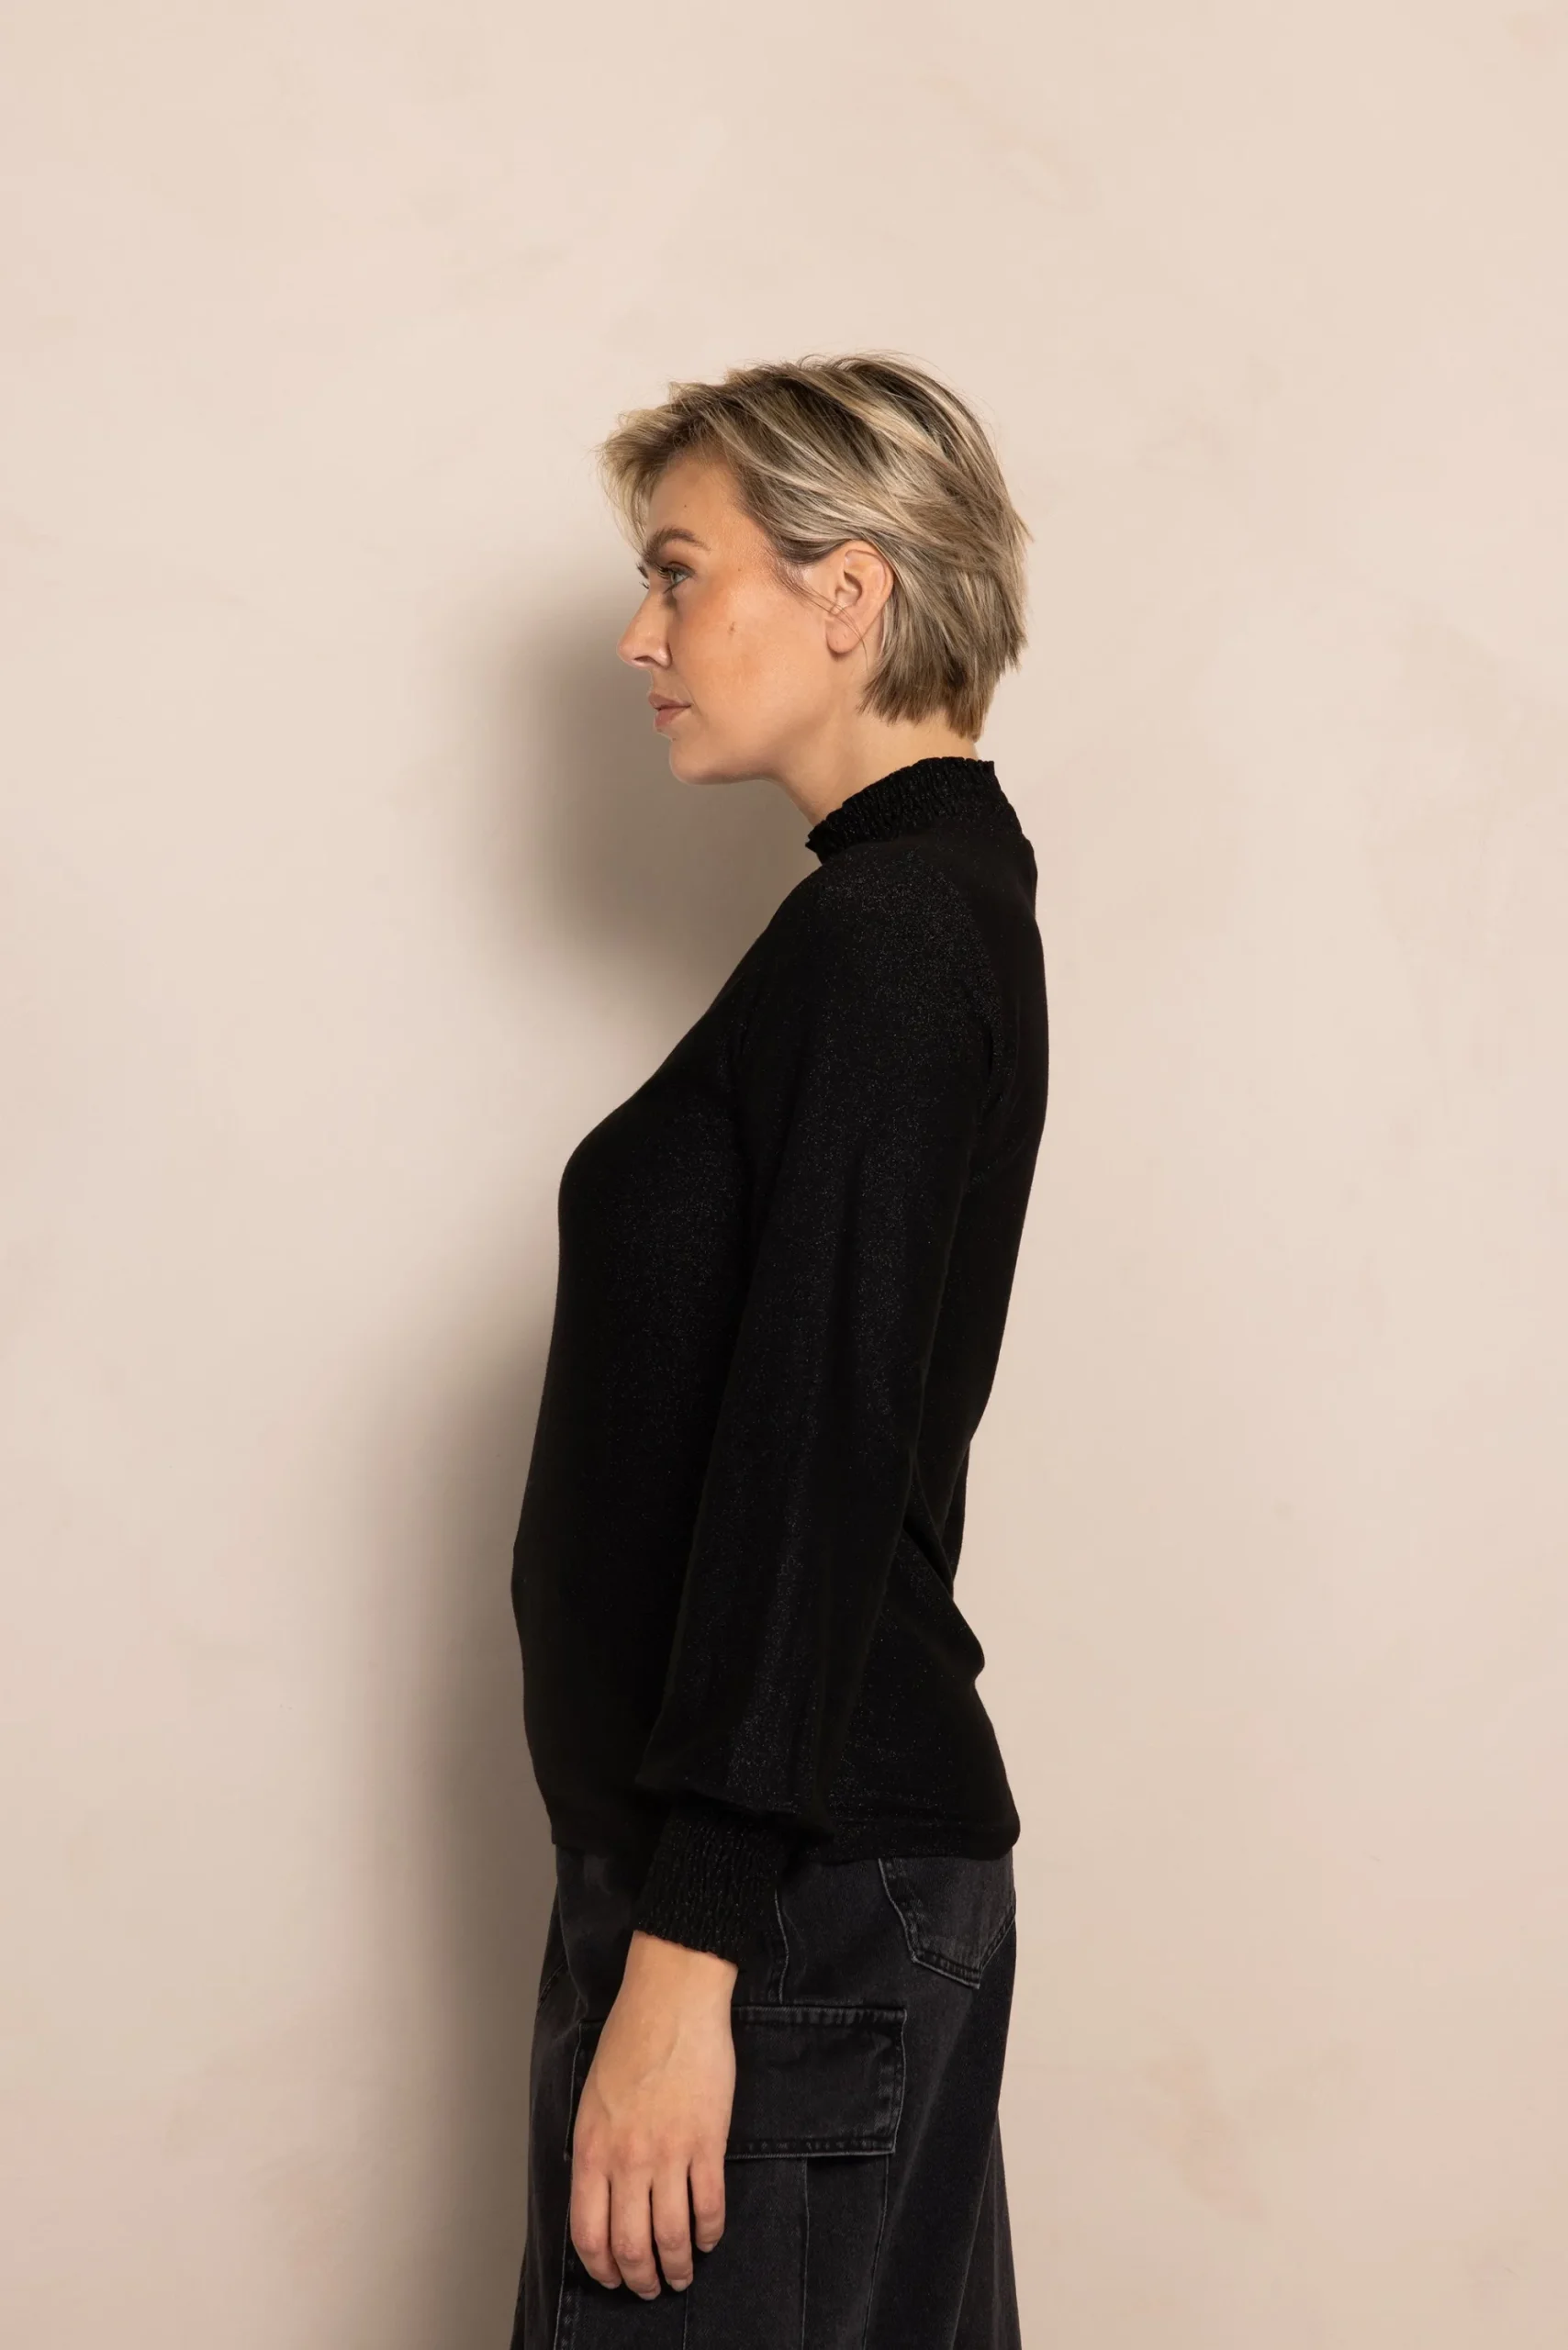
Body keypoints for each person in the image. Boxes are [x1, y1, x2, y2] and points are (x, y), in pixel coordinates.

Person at [508, 352, 1048, 2347]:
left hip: (773, 1912)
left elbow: (816, 1451)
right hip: (789, 1897)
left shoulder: (889, 937)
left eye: (679, 571)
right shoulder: (908, 915)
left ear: (850, 590)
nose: (637, 635)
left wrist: (688, 1946)